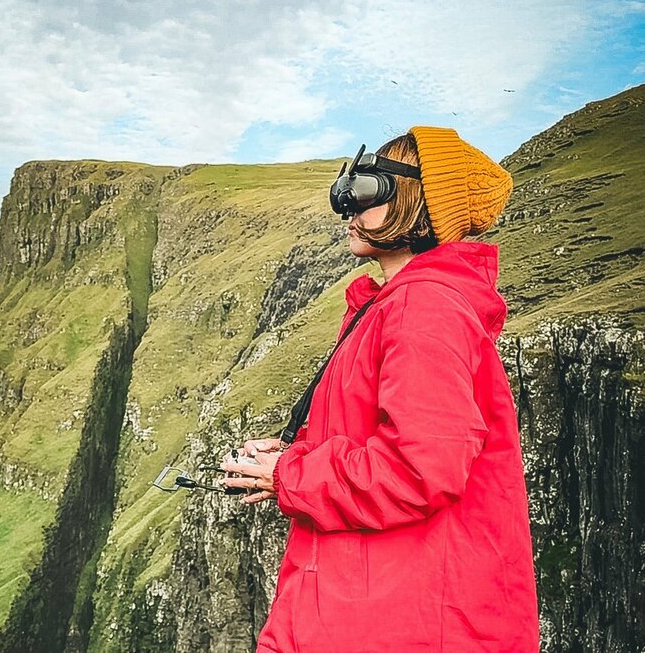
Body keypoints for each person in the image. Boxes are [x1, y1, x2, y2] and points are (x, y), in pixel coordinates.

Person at [219, 126, 541, 652]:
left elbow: (420, 469)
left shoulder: (426, 310)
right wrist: (290, 457)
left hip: (394, 620)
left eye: (369, 188)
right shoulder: (396, 305)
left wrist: (292, 474)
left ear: (419, 203)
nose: (348, 204)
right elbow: (387, 440)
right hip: (372, 606)